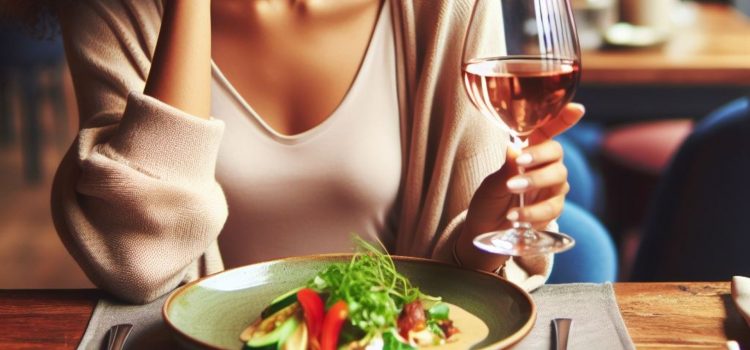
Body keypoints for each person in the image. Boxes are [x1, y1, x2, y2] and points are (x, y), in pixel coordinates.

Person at [50, 0, 584, 304]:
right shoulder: (114, 11)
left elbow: (462, 289)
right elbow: (137, 263)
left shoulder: (445, 8)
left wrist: (479, 237)